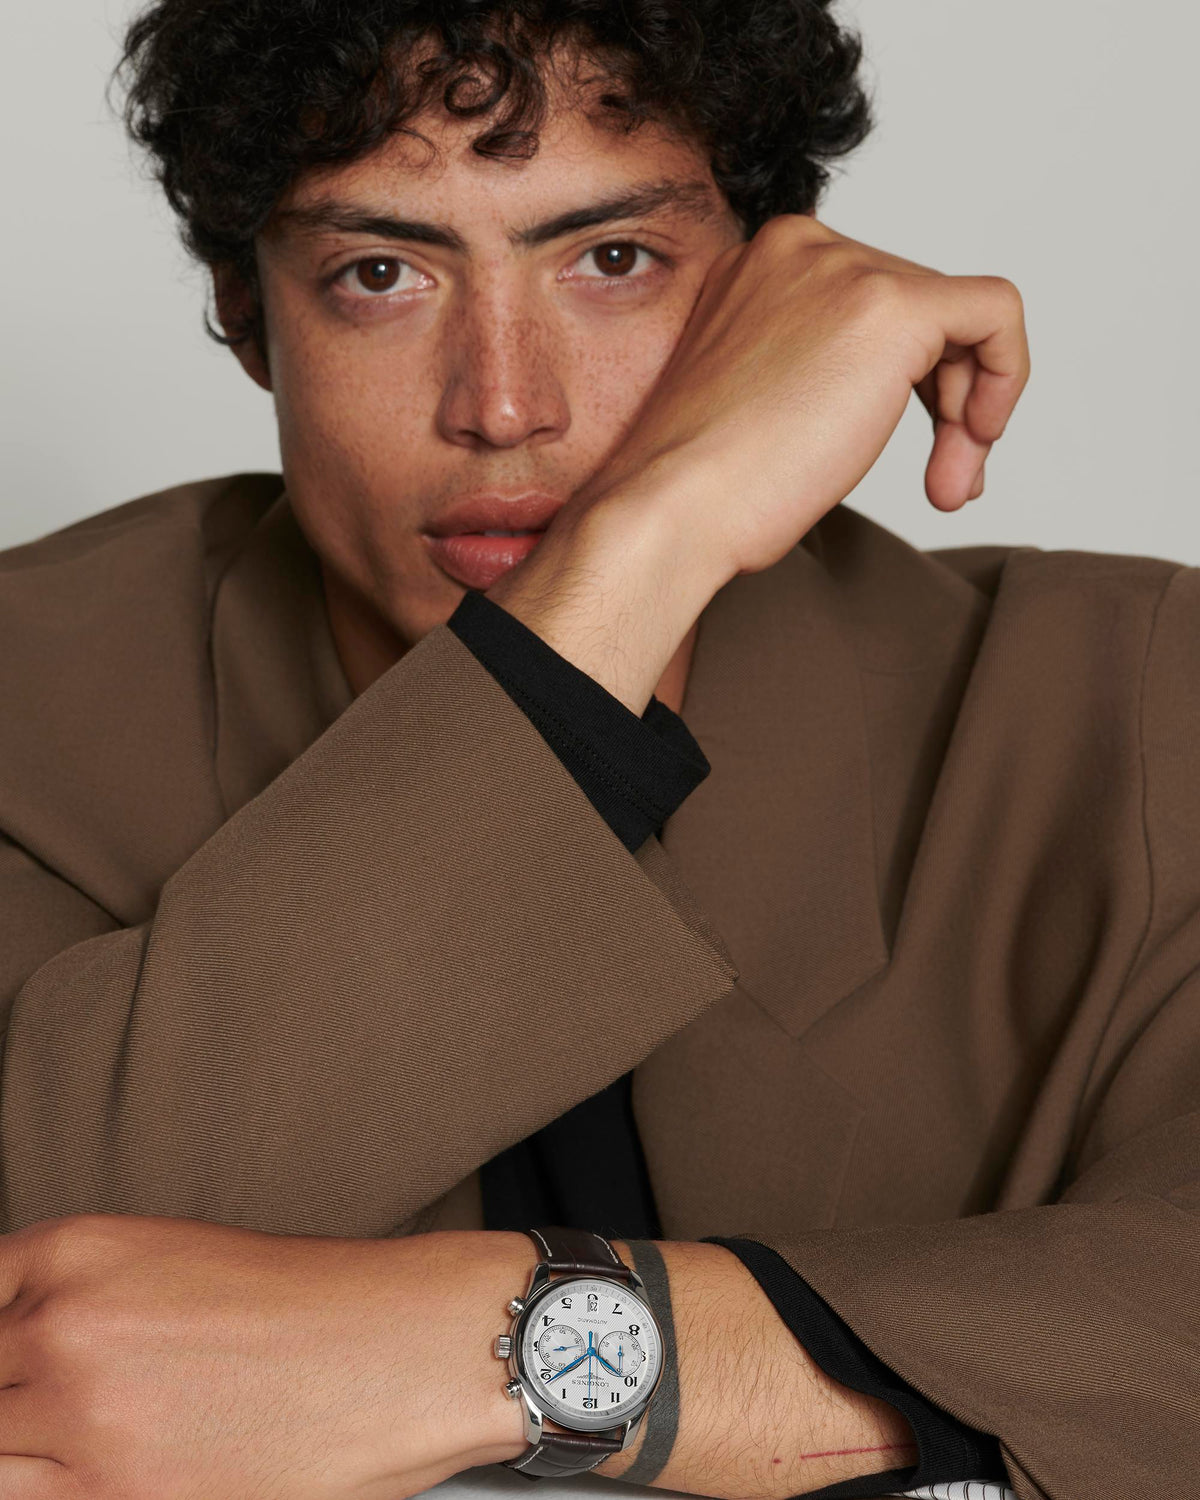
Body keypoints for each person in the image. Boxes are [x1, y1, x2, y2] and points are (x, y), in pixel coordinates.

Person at [0, 1, 1194, 1497]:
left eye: (612, 261)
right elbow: (39, 1302)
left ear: (768, 297)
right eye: (381, 274)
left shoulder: (1131, 697)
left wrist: (484, 1351)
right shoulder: (30, 705)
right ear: (249, 315)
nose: (506, 405)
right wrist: (634, 558)